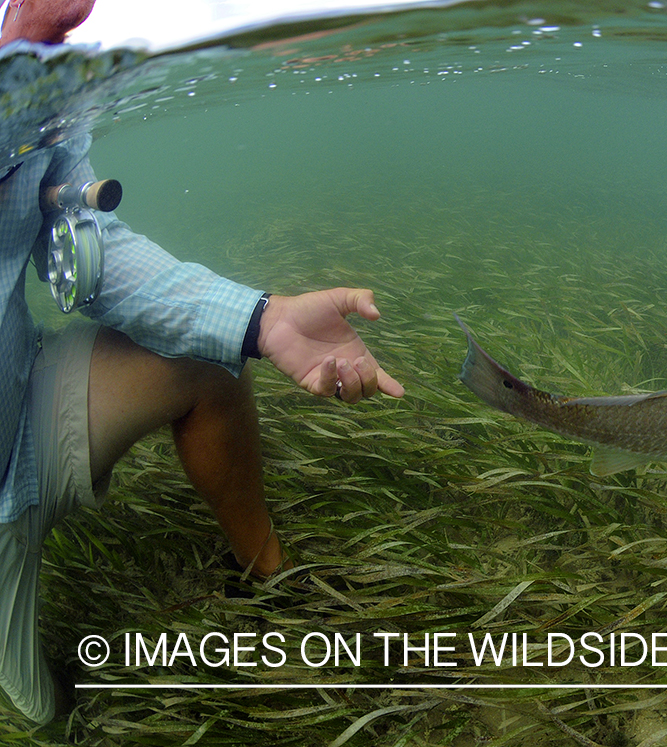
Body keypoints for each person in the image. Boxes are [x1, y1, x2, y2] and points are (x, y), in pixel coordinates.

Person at [0, 0, 406, 724]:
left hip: (21, 407)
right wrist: (16, 55)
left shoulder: (49, 63)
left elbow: (83, 245)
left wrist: (259, 319)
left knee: (208, 361)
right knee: (43, 713)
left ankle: (270, 580)